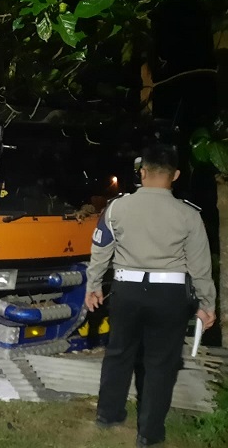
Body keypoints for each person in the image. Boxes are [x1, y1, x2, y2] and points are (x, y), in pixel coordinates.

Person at [85, 143, 217, 448]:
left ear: (142, 172)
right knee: (161, 362)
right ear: (176, 175)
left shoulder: (117, 207)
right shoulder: (188, 215)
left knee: (119, 352)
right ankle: (149, 431)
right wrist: (206, 304)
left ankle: (108, 414)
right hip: (169, 295)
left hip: (126, 290)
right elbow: (200, 266)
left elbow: (100, 249)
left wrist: (93, 285)